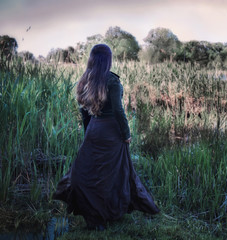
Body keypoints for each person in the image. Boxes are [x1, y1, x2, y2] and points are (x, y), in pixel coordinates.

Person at [53, 44, 159, 230]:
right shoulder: (112, 81)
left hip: (94, 130)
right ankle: (106, 213)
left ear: (92, 59)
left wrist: (88, 135)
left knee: (89, 173)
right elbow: (118, 111)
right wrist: (126, 135)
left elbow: (84, 112)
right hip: (111, 132)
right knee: (111, 175)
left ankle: (95, 216)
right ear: (108, 60)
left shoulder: (86, 79)